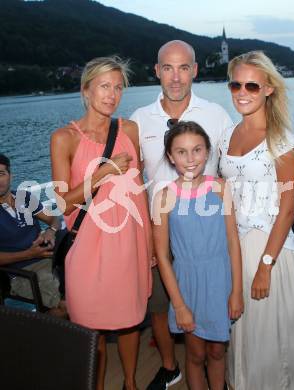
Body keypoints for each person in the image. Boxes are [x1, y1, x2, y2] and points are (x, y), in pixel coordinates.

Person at [130, 39, 233, 390]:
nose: (176, 77)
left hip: (208, 231)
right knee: (165, 306)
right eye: (168, 68)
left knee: (214, 339)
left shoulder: (217, 115)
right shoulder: (139, 120)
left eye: (184, 67)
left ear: (195, 71)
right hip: (164, 229)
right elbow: (130, 181)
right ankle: (169, 365)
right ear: (157, 71)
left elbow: (235, 167)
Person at [50, 56, 152, 390]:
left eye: (118, 87)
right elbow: (64, 202)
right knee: (91, 331)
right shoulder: (65, 138)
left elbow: (139, 191)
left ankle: (130, 383)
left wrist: (149, 245)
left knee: (130, 323)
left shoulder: (130, 130)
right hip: (88, 251)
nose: (112, 94)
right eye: (104, 86)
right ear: (85, 90)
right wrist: (105, 171)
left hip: (129, 246)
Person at [219, 51, 294, 389]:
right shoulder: (226, 137)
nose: (242, 92)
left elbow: (288, 210)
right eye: (236, 84)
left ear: (269, 90)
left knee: (272, 341)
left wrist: (265, 265)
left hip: (269, 249)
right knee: (242, 331)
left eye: (252, 85)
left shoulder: (283, 143)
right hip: (234, 248)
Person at [152, 121, 244, 390]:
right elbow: (162, 254)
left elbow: (233, 241)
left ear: (207, 152)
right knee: (196, 354)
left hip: (220, 280)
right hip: (187, 284)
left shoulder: (220, 188)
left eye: (197, 150)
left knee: (217, 351)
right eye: (181, 152)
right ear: (171, 156)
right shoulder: (164, 197)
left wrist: (236, 290)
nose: (190, 159)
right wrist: (179, 305)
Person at [0, 153, 64, 315]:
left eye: (1, 174)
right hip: (22, 273)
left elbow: (54, 218)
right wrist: (29, 254)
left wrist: (51, 230)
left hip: (49, 258)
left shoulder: (24, 197)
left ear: (10, 175)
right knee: (66, 305)